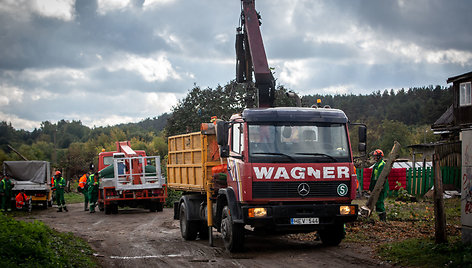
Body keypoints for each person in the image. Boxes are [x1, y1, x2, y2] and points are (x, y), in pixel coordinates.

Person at [369, 149, 388, 221]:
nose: (374, 157)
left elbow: (380, 179)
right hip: (376, 186)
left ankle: (383, 219)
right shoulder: (376, 165)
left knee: (379, 202)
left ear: (379, 157)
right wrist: (371, 188)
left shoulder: (382, 165)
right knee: (376, 202)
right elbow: (373, 178)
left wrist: (378, 188)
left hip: (381, 187)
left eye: (375, 156)